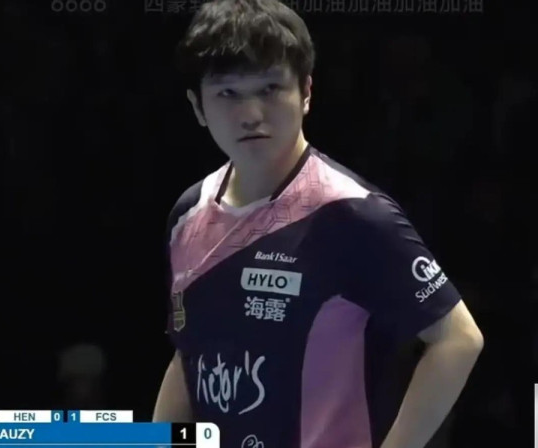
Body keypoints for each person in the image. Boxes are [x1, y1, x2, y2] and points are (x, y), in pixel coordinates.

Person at [152, 1, 484, 448]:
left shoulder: (350, 213)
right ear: (198, 106)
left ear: (306, 92)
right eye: (228, 93)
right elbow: (188, 356)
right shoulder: (188, 215)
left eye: (270, 88)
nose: (251, 113)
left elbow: (458, 339)